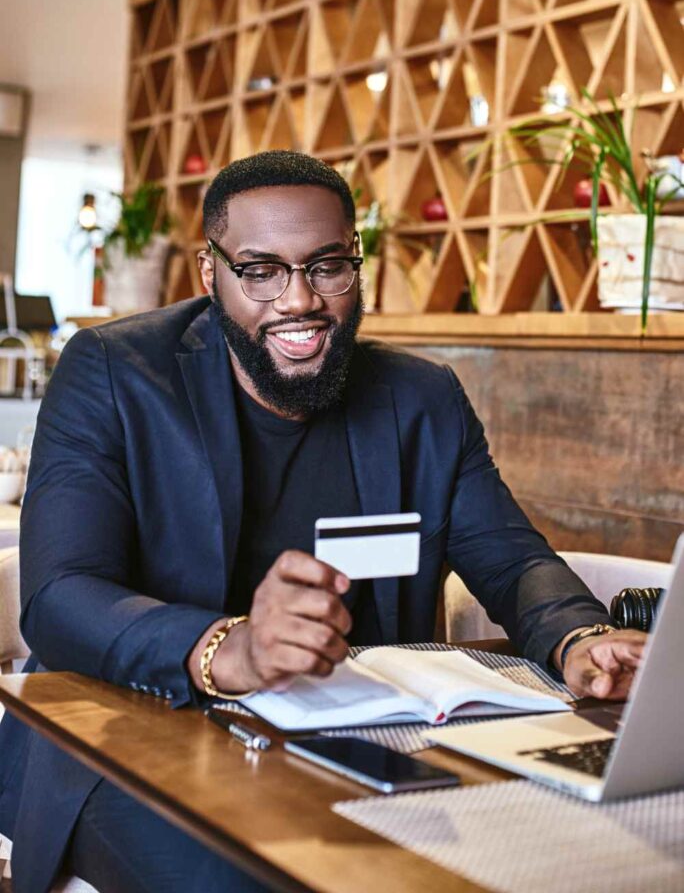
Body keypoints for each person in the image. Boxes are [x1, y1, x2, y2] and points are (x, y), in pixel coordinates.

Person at [0, 151, 646, 893]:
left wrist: (581, 637)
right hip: (127, 736)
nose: (298, 299)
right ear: (210, 274)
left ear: (356, 265)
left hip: (358, 743)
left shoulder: (421, 398)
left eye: (326, 266)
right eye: (261, 270)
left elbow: (510, 556)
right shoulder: (115, 373)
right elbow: (59, 595)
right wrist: (225, 648)